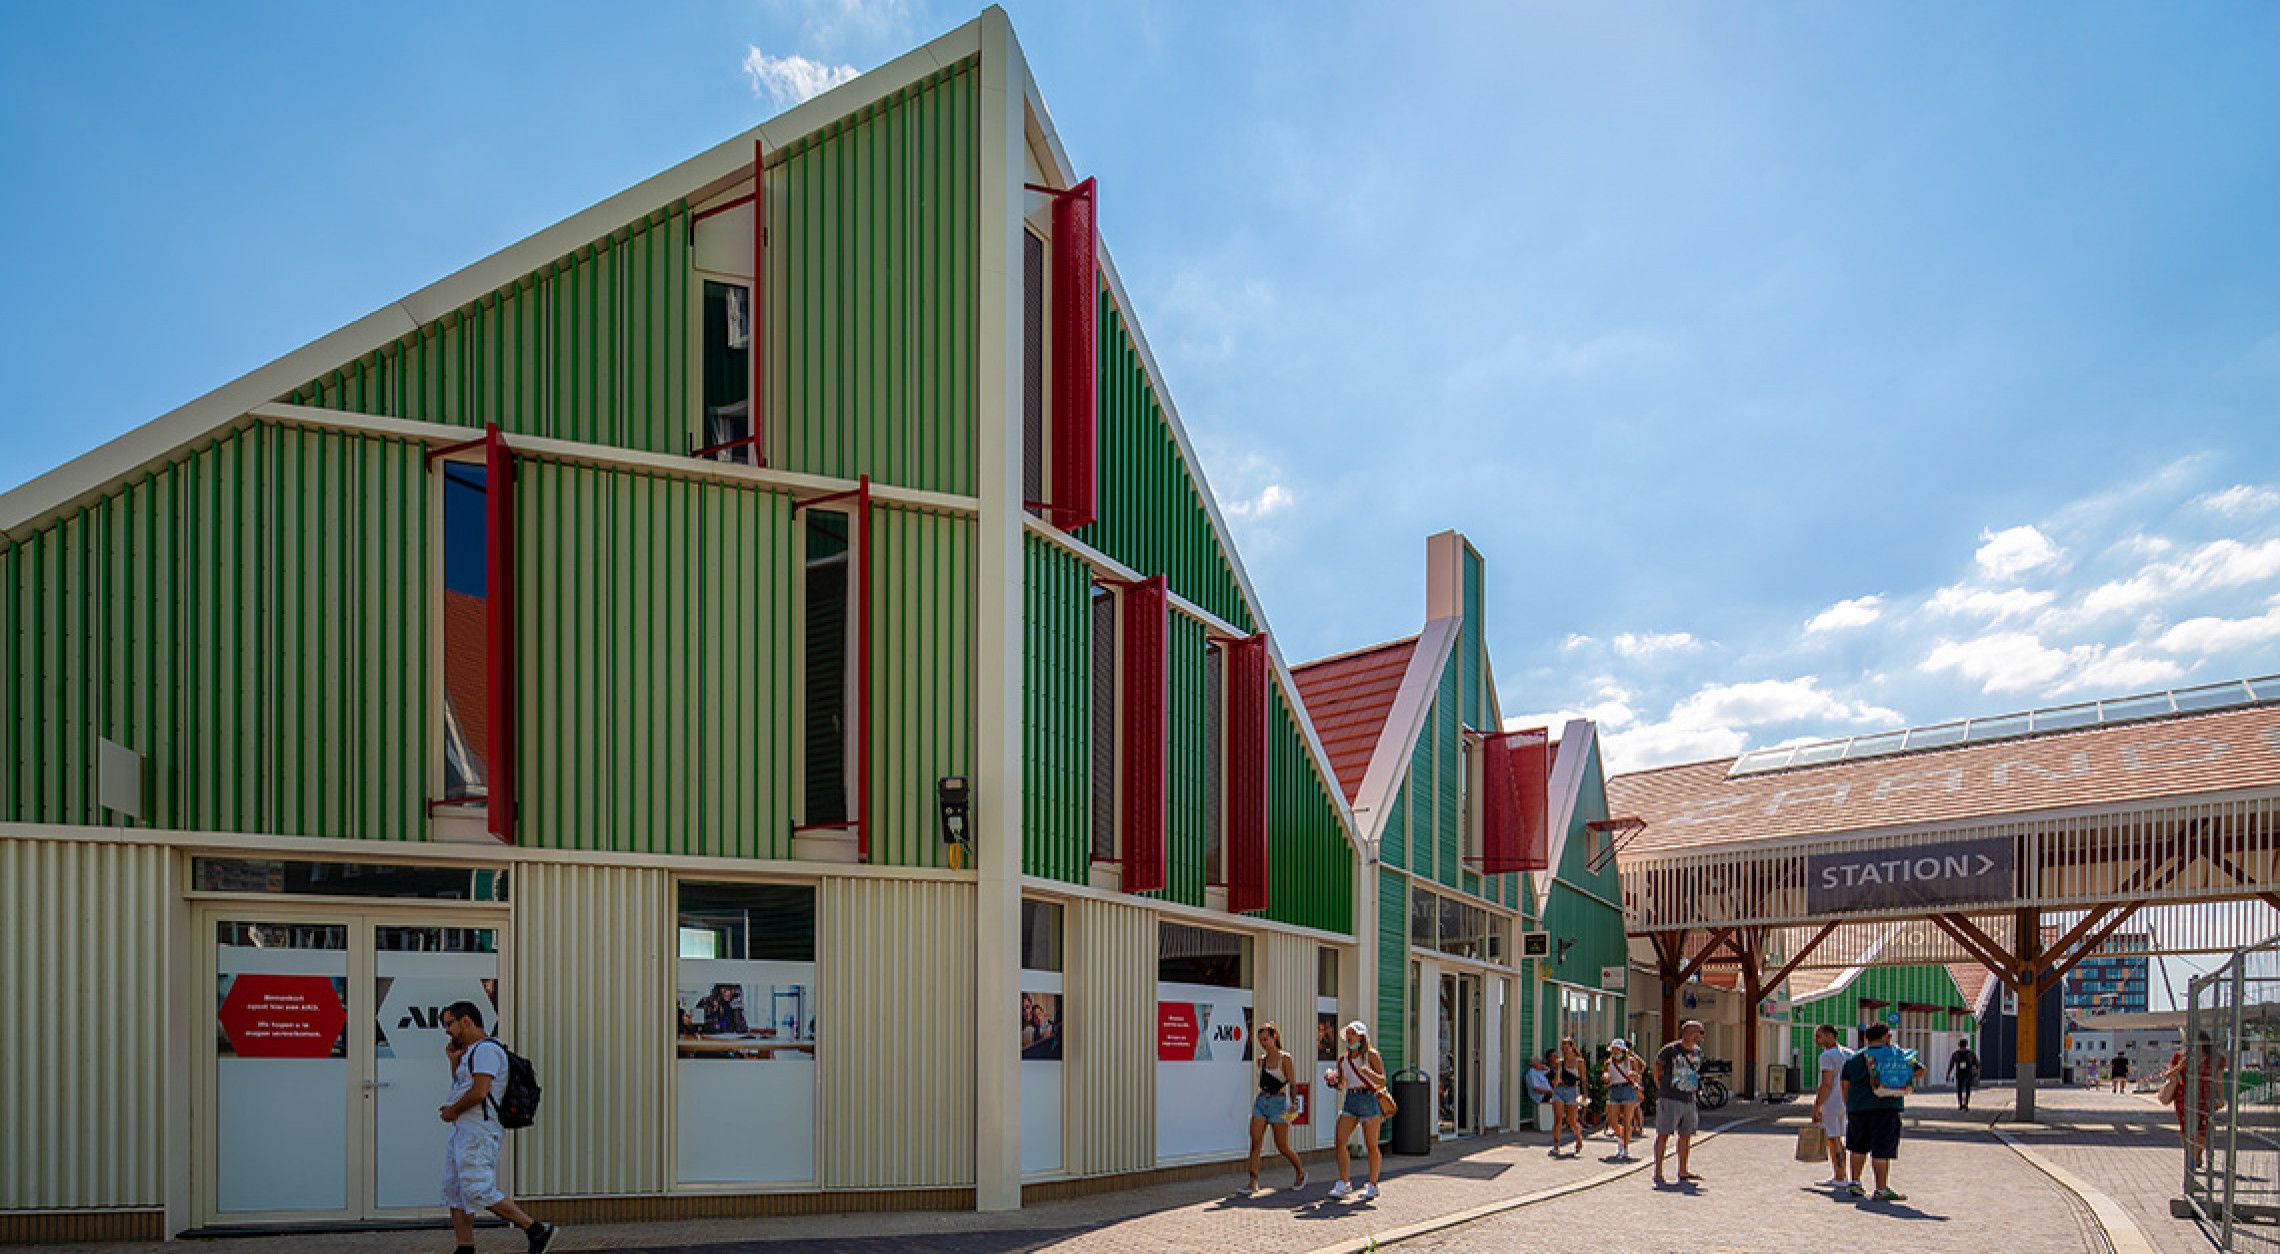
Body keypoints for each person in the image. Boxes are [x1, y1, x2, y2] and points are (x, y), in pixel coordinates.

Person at [438, 1002, 558, 1254]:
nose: (447, 1030)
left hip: (479, 1132)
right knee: (455, 1190)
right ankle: (465, 1246)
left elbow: (480, 1092)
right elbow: (462, 1086)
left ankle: (536, 1229)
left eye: (450, 1024)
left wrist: (452, 1111)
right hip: (463, 1131)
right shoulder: (470, 1053)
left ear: (466, 1021)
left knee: (477, 1189)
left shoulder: (486, 1051)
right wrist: (453, 1061)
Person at [1840, 1022, 1925, 1203]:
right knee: (1882, 1150)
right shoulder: (1896, 1055)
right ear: (1886, 1037)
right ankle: (1880, 1189)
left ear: (1866, 1038)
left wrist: (1849, 1106)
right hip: (1887, 1108)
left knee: (1857, 1146)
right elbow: (1920, 1071)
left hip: (1858, 1108)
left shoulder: (1854, 1059)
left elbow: (1845, 1085)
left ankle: (1855, 1182)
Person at [1325, 1021, 1387, 1202]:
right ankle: (1344, 1182)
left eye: (1353, 1034)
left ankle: (1373, 1184)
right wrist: (1333, 1081)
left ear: (1361, 1036)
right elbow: (1342, 1084)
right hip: (1351, 1100)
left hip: (1368, 1099)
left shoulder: (1371, 1055)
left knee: (1371, 1145)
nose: (1349, 1037)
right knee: (1340, 1140)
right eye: (1348, 1034)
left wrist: (1368, 1072)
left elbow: (1382, 1080)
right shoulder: (1343, 1060)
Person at [1245, 1022, 1305, 1192]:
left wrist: (1293, 1103)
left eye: (1266, 1039)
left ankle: (1300, 1171)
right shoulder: (1260, 1061)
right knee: (1256, 1140)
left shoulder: (1285, 1059)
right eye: (1260, 1040)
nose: (1263, 1043)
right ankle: (1253, 1180)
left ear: (1274, 1037)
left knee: (1282, 1146)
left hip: (1278, 1103)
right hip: (1261, 1101)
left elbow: (1292, 1083)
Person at [1652, 1019, 1706, 1187]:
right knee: (1664, 1134)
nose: (1702, 1036)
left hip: (1689, 1098)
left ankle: (1683, 1170)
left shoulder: (1697, 1051)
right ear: (1689, 1033)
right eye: (1700, 1032)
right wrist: (1659, 1084)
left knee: (1685, 1136)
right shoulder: (1670, 1050)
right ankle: (1658, 1171)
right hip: (1670, 1097)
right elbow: (1657, 1065)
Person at [2163, 1030, 2227, 1170]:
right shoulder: (2181, 1057)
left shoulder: (2216, 1059)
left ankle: (2196, 1155)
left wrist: (2221, 1098)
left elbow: (2219, 1081)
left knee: (2203, 1131)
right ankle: (2190, 1159)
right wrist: (2180, 1066)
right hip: (2184, 1098)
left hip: (2206, 1098)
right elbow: (2168, 1075)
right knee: (2187, 1129)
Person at [1809, 1025, 1854, 1188]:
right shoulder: (1849, 1054)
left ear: (1830, 1036)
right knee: (1839, 1139)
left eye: (1818, 1036)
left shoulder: (1827, 1056)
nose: (1816, 1040)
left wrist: (1817, 1105)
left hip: (1831, 1103)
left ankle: (1839, 1175)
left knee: (1832, 1138)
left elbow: (1826, 1084)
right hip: (1846, 1102)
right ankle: (1843, 1173)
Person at [1604, 1039, 1644, 1162]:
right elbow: (1605, 1076)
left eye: (1617, 1049)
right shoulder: (1608, 1063)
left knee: (1627, 1120)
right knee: (1612, 1120)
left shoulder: (1631, 1061)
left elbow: (1638, 1077)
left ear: (1622, 1050)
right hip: (1614, 1090)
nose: (1615, 1052)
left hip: (1628, 1089)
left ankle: (1625, 1148)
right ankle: (1622, 1136)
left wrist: (1634, 1075)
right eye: (1613, 1049)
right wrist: (1605, 1077)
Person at [1550, 1039, 1588, 1156]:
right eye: (1563, 1048)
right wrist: (1556, 1078)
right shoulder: (1560, 1062)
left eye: (1567, 1047)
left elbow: (1583, 1080)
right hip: (1559, 1090)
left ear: (1572, 1047)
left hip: (1572, 1091)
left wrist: (1584, 1095)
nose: (1565, 1050)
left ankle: (1578, 1135)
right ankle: (1556, 1145)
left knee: (1571, 1120)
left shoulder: (1579, 1062)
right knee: (1558, 1118)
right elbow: (1555, 1080)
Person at [1946, 1038, 1979, 1111]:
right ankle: (1966, 1104)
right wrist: (1976, 1071)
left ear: (1959, 1045)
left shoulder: (1956, 1054)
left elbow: (1951, 1065)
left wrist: (1948, 1074)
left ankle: (1960, 1104)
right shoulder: (1970, 1054)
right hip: (1968, 1074)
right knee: (1967, 1089)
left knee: (1959, 1089)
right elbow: (1977, 1063)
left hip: (1959, 1074)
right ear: (1966, 1045)